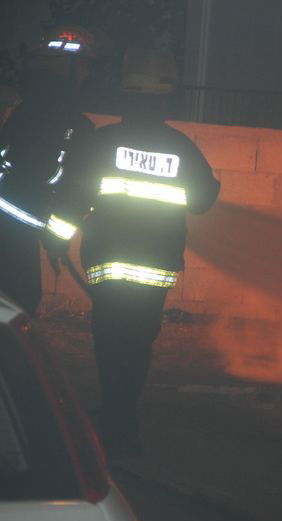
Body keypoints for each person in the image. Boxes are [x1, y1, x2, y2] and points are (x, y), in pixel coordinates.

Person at [56, 45, 219, 454]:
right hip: (156, 265)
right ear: (166, 97)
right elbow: (203, 200)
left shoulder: (102, 141)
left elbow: (74, 195)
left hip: (108, 261)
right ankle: (123, 418)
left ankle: (113, 416)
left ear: (125, 96)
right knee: (138, 340)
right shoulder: (181, 148)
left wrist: (55, 236)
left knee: (110, 337)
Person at [0, 25, 97, 315]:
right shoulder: (74, 124)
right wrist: (56, 240)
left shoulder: (23, 109)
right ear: (68, 68)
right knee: (18, 305)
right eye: (84, 65)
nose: (87, 73)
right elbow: (74, 189)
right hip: (16, 225)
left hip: (14, 224)